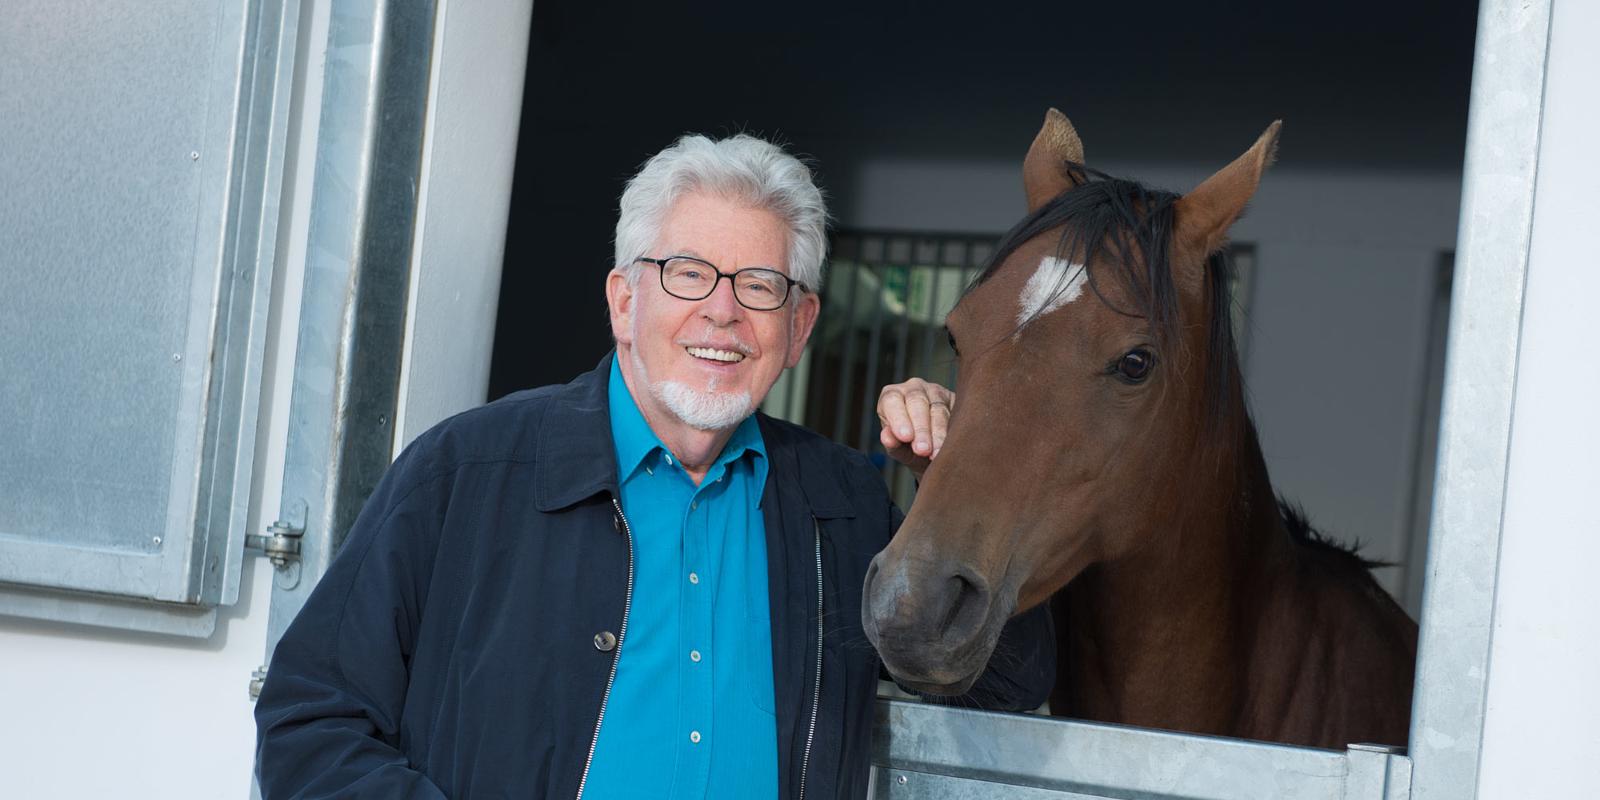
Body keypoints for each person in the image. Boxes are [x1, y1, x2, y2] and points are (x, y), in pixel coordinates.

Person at [254, 133, 1053, 799]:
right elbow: (310, 719)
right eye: (689, 273)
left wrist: (958, 481)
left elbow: (1005, 687)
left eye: (761, 285)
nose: (723, 311)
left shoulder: (842, 507)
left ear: (800, 324)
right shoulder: (465, 474)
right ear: (625, 301)